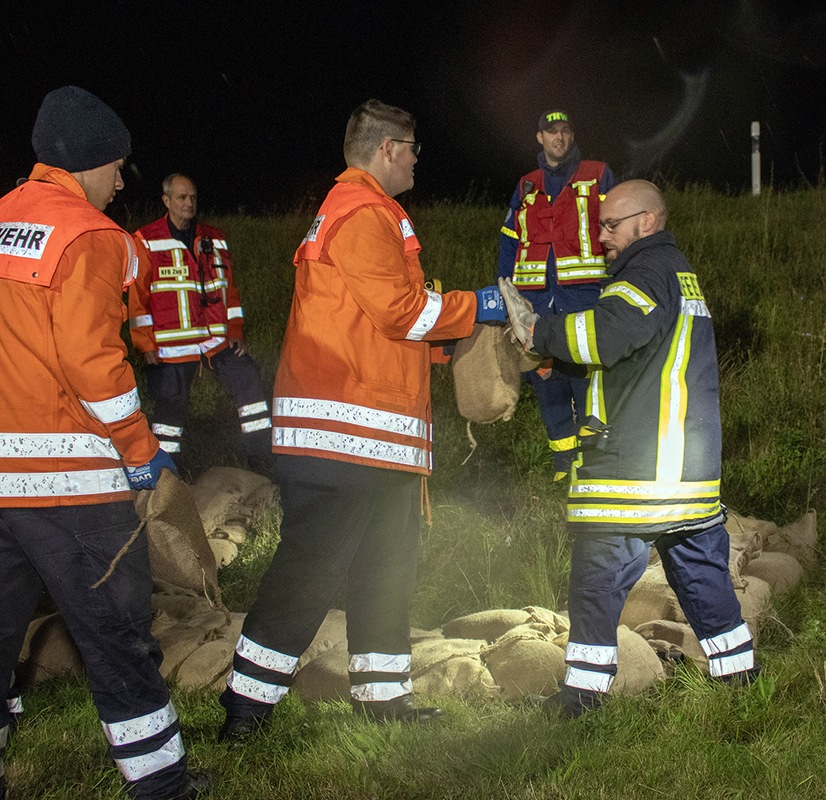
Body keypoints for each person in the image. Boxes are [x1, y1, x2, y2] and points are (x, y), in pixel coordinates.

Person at [218, 99, 507, 740]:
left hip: (375, 436)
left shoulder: (363, 211)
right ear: (385, 150)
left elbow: (381, 324)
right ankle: (246, 707)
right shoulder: (363, 213)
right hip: (343, 434)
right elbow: (399, 310)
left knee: (388, 566)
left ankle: (383, 699)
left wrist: (447, 340)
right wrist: (478, 306)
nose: (416, 158)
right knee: (311, 569)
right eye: (411, 148)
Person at [0, 86, 206, 800]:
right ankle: (161, 782)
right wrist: (142, 451)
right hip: (71, 485)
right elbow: (95, 365)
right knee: (117, 634)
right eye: (116, 168)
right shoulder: (89, 237)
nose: (122, 182)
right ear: (88, 164)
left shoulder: (1, 220)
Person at [499, 179, 758, 717]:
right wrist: (560, 360)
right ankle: (741, 682)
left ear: (647, 221)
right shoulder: (676, 274)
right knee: (701, 573)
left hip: (636, 466)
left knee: (597, 578)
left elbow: (608, 336)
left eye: (610, 225)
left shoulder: (645, 271)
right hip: (685, 466)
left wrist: (540, 332)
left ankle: (582, 699)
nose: (600, 237)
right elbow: (632, 356)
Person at [128, 174, 274, 477]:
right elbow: (138, 297)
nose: (189, 203)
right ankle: (167, 475)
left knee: (249, 381)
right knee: (169, 410)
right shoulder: (146, 239)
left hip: (216, 340)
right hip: (171, 346)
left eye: (192, 197)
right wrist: (145, 343)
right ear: (166, 201)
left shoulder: (214, 238)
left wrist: (235, 331)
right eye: (181, 198)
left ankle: (261, 459)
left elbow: (228, 289)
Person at [498, 110, 616, 480]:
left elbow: (619, 227)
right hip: (536, 306)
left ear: (572, 135)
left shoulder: (598, 174)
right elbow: (509, 242)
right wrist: (505, 294)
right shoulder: (526, 185)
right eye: (552, 132)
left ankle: (593, 467)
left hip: (585, 299)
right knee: (546, 384)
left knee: (587, 384)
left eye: (565, 131)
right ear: (540, 138)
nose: (559, 138)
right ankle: (564, 470)